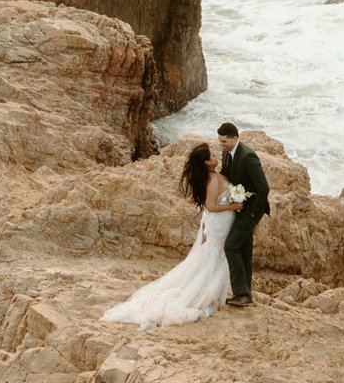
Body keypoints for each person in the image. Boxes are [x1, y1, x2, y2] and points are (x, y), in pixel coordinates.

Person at [99, 144, 247, 329]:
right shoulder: (213, 180)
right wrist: (233, 206)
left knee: (216, 255)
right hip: (220, 222)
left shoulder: (213, 176)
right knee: (215, 255)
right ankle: (209, 294)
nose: (216, 156)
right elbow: (210, 206)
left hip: (220, 222)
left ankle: (217, 292)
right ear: (207, 162)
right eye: (212, 156)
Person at [214, 122, 271, 308]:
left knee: (230, 246)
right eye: (220, 141)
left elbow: (263, 187)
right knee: (244, 248)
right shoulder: (226, 153)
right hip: (239, 205)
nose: (221, 145)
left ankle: (240, 293)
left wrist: (254, 211)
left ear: (235, 138)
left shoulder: (248, 156)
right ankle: (247, 293)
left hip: (252, 208)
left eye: (224, 141)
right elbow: (226, 174)